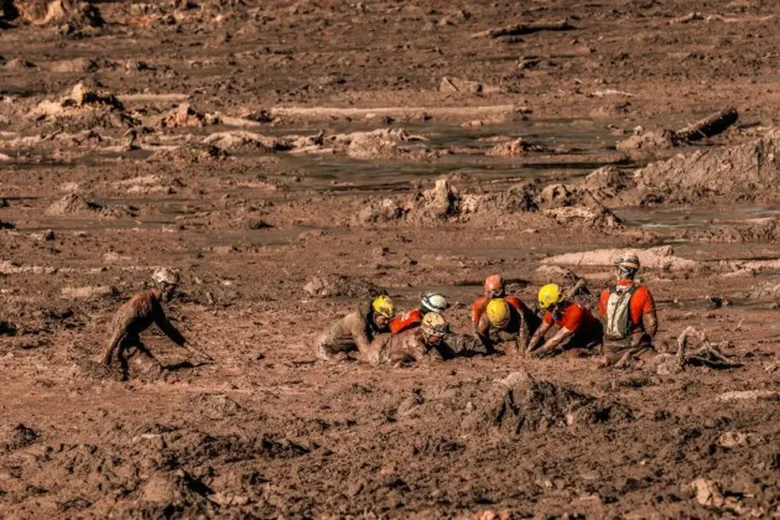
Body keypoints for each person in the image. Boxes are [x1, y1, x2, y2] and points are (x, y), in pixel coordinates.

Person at [102, 268, 213, 380]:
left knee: (154, 370)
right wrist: (107, 357)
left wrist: (194, 350)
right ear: (163, 286)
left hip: (129, 343)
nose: (173, 293)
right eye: (172, 289)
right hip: (119, 344)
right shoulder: (141, 302)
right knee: (156, 373)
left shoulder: (154, 307)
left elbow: (169, 330)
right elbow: (121, 327)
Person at [598, 253, 658, 367]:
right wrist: (647, 340)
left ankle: (611, 360)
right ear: (634, 272)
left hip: (610, 346)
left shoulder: (605, 293)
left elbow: (605, 320)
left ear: (618, 270)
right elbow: (652, 323)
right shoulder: (643, 292)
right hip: (635, 345)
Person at [527, 283, 603, 358]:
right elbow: (540, 331)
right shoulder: (552, 310)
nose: (547, 310)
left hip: (592, 334)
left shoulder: (575, 312)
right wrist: (528, 350)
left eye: (548, 308)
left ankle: (595, 351)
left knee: (571, 354)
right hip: (577, 334)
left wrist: (535, 354)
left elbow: (557, 339)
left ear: (555, 304)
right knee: (563, 349)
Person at [315, 295, 395, 362]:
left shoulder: (373, 321)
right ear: (376, 315)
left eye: (388, 319)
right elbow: (366, 353)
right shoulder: (358, 322)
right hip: (323, 348)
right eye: (384, 319)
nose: (386, 322)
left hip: (344, 347)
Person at [367, 312, 449, 366]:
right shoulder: (414, 342)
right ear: (430, 332)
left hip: (387, 342)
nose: (441, 338)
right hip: (381, 349)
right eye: (439, 335)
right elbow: (428, 363)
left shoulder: (421, 331)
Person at [476, 297, 541, 354]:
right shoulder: (485, 317)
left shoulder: (517, 308)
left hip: (521, 319)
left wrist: (522, 351)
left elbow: (524, 329)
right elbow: (481, 334)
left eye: (505, 323)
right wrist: (490, 349)